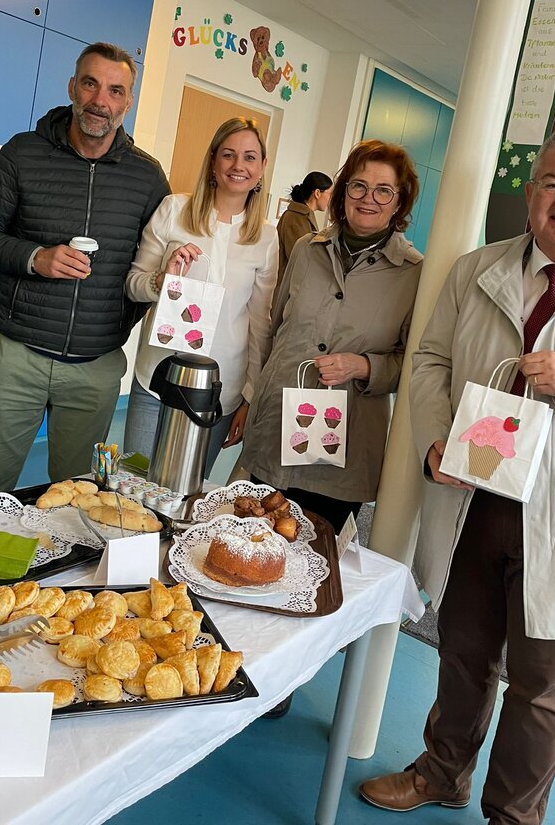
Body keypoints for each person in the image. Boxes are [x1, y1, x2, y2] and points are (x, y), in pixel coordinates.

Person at [360, 123, 555, 823]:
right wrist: (437, 439)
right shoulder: (476, 270)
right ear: (530, 193)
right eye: (553, 182)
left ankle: (513, 815)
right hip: (478, 497)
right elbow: (432, 359)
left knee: (545, 684)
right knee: (462, 652)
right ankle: (442, 772)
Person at [0, 42, 170, 492]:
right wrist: (35, 258)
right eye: (90, 84)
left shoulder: (147, 177)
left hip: (95, 366)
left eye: (115, 91)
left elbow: (153, 264)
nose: (100, 101)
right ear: (73, 86)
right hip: (16, 356)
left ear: (127, 102)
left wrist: (119, 323)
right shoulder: (23, 153)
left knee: (77, 493)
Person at [236, 139, 422, 533]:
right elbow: (275, 326)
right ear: (343, 192)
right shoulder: (307, 249)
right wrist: (253, 400)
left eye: (383, 190)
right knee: (248, 553)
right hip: (276, 428)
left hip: (342, 450)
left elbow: (418, 362)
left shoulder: (414, 273)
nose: (368, 198)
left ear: (400, 201)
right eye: (358, 185)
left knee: (317, 570)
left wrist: (365, 366)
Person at [122, 117, 279, 476]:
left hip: (220, 391)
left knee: (187, 497)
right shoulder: (174, 210)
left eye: (250, 157)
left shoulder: (266, 238)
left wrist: (249, 398)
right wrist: (161, 280)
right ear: (212, 161)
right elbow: (133, 283)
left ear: (262, 167)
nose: (239, 166)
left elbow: (259, 324)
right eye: (229, 155)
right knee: (131, 487)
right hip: (158, 378)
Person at [275, 170, 333, 286]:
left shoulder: (303, 216)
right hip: (289, 288)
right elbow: (301, 260)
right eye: (330, 194)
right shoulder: (295, 218)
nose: (330, 199)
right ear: (317, 193)